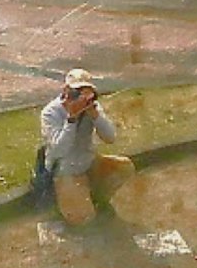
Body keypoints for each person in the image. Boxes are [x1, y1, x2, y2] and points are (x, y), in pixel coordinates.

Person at [31, 70, 130, 223]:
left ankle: (95, 197)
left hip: (89, 162)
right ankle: (66, 201)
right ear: (66, 91)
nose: (81, 98)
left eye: (86, 93)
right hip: (66, 171)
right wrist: (71, 119)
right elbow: (59, 150)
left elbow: (111, 138)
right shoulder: (50, 113)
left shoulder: (92, 107)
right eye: (76, 92)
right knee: (83, 219)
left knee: (124, 167)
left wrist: (95, 115)